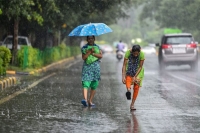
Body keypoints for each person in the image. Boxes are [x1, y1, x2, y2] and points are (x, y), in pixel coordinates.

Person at [81, 35, 103, 107]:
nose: (90, 40)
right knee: (85, 82)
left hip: (95, 68)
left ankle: (90, 101)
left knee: (94, 84)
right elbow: (84, 58)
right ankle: (85, 100)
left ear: (94, 39)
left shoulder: (97, 47)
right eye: (89, 38)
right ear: (87, 39)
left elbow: (100, 56)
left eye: (92, 38)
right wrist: (89, 52)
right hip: (87, 68)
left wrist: (93, 53)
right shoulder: (84, 48)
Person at [122, 44, 145, 110]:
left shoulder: (142, 54)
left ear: (139, 52)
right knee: (128, 79)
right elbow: (124, 65)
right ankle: (128, 91)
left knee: (136, 87)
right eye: (134, 53)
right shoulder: (128, 53)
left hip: (138, 70)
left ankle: (132, 105)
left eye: (137, 53)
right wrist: (123, 76)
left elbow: (140, 66)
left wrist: (135, 76)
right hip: (130, 68)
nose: (135, 55)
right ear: (132, 51)